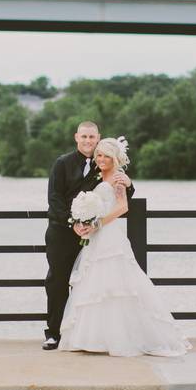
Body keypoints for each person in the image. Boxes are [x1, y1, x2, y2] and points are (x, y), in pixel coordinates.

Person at [59, 137, 190, 357]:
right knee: (96, 284)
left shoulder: (118, 178)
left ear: (115, 158)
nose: (101, 159)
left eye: (106, 156)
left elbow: (122, 207)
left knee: (116, 285)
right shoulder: (100, 175)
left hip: (108, 234)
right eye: (99, 155)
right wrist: (86, 216)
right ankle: (94, 337)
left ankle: (118, 337)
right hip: (96, 235)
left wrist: (98, 223)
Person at [43, 121, 132, 351]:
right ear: (76, 137)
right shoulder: (62, 163)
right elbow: (54, 198)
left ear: (98, 137)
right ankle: (53, 334)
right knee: (57, 281)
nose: (88, 141)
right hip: (62, 232)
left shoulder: (102, 163)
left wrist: (129, 183)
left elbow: (120, 191)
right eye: (84, 137)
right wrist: (72, 223)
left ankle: (84, 335)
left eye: (92, 137)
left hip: (94, 235)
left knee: (91, 283)